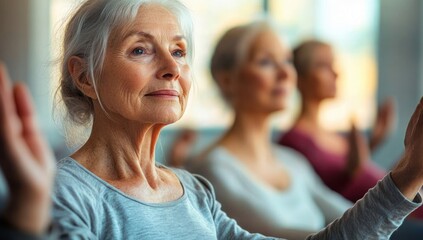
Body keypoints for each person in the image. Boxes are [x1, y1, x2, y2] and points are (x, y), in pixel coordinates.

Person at [0, 0, 422, 239]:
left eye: (179, 51)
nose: (171, 68)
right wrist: (26, 210)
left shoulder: (195, 192)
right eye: (141, 50)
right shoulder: (67, 193)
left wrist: (408, 174)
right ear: (84, 76)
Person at [187, 21, 423, 239]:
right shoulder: (212, 171)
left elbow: (355, 216)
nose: (285, 73)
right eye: (266, 62)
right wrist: (409, 171)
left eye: (287, 61)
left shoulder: (292, 162)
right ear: (227, 79)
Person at [277, 40, 423, 219]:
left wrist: (377, 142)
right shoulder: (293, 141)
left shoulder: (334, 136)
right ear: (299, 78)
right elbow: (333, 196)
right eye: (323, 66)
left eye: (333, 65)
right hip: (385, 220)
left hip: (401, 208)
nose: (336, 73)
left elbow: (373, 182)